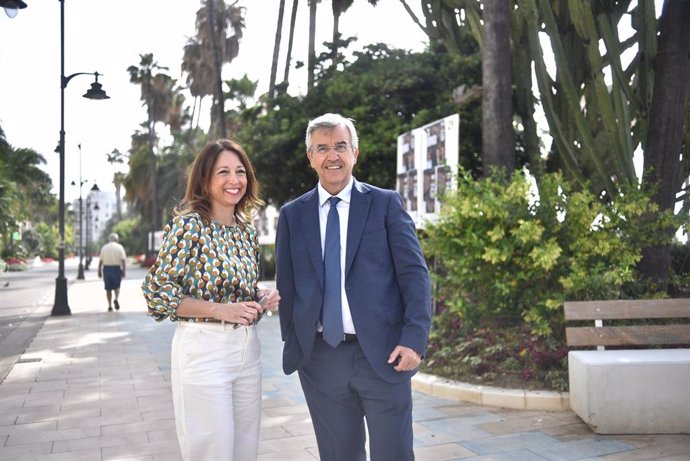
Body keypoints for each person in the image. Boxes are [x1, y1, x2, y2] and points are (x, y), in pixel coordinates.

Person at [275, 113, 432, 460]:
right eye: (323, 148)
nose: (333, 155)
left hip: (384, 354)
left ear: (355, 153)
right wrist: (297, 342)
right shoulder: (292, 215)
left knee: (393, 454)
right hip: (320, 359)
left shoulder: (385, 203)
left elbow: (414, 276)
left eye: (341, 146)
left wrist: (414, 339)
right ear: (311, 157)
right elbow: (286, 282)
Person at [141, 139, 280, 461]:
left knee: (245, 449)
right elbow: (157, 292)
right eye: (224, 172)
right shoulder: (189, 225)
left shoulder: (245, 231)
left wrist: (261, 297)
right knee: (212, 451)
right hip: (204, 351)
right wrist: (220, 310)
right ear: (205, 179)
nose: (235, 180)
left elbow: (238, 290)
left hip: (248, 350)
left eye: (240, 171)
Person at [97, 232, 127, 312]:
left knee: (108, 288)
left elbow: (100, 261)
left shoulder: (104, 247)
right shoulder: (120, 247)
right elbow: (123, 260)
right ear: (116, 239)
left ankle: (110, 305)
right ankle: (116, 299)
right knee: (117, 287)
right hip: (116, 269)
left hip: (106, 269)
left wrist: (99, 271)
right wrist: (124, 271)